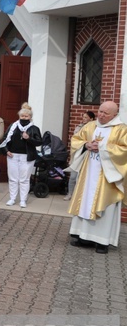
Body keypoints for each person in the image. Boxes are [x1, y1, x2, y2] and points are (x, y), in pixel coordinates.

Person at [67, 101, 127, 254]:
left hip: (107, 177)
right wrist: (86, 145)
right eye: (100, 111)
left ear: (114, 115)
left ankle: (102, 241)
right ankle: (83, 237)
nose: (101, 115)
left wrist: (102, 147)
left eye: (105, 113)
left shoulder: (121, 129)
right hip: (88, 173)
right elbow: (76, 139)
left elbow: (124, 150)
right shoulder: (91, 126)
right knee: (85, 200)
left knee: (105, 207)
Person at [0, 103, 42, 208]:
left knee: (24, 179)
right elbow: (5, 139)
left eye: (26, 116)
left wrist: (29, 138)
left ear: (30, 117)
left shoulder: (34, 128)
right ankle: (12, 198)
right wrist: (6, 151)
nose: (23, 118)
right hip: (12, 155)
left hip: (27, 157)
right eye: (22, 116)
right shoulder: (13, 126)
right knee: (13, 178)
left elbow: (39, 142)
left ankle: (23, 200)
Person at [66, 110, 97, 199]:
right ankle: (70, 194)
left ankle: (80, 196)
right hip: (79, 154)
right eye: (83, 117)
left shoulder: (96, 128)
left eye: (86, 117)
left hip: (90, 155)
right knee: (73, 176)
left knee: (83, 178)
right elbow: (75, 140)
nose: (83, 119)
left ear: (91, 119)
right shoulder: (79, 128)